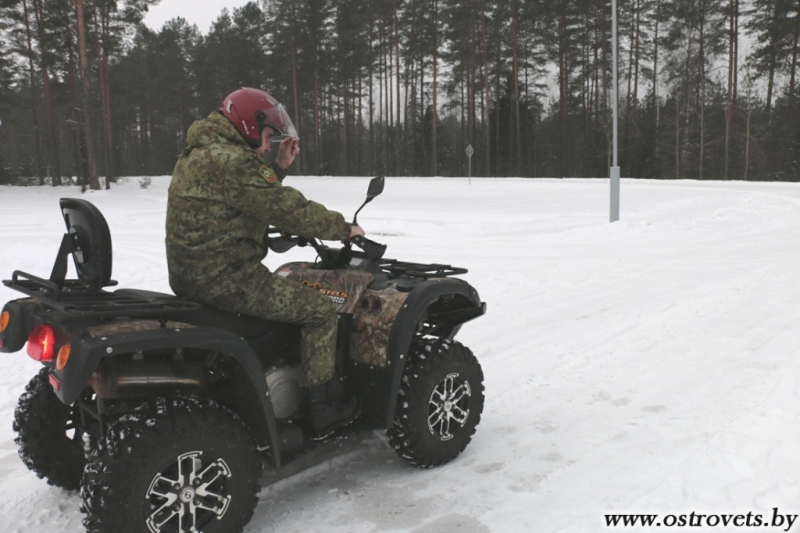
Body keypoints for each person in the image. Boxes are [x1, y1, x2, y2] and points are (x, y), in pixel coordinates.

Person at [165, 87, 362, 439]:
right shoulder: (232, 161)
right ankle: (321, 410)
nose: (269, 145)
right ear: (249, 126)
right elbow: (286, 208)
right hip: (228, 279)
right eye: (269, 136)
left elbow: (251, 196)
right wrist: (343, 228)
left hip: (191, 276)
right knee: (319, 311)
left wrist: (279, 167)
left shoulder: (198, 154)